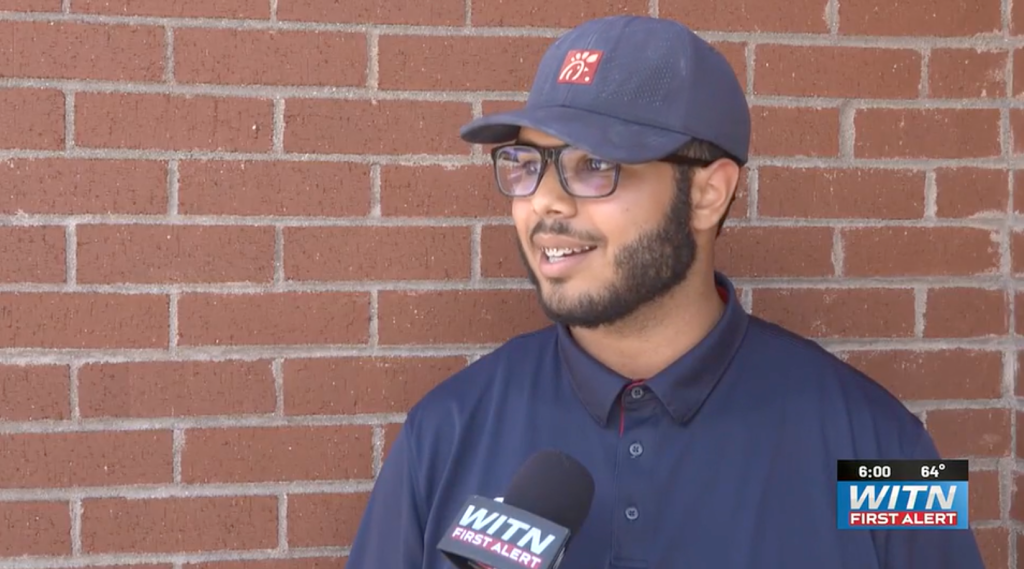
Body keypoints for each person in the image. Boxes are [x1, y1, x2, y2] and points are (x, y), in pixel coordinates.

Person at [345, 15, 985, 569]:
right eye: (526, 163)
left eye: (594, 165)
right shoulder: (443, 432)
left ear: (709, 193)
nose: (543, 201)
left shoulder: (885, 448)